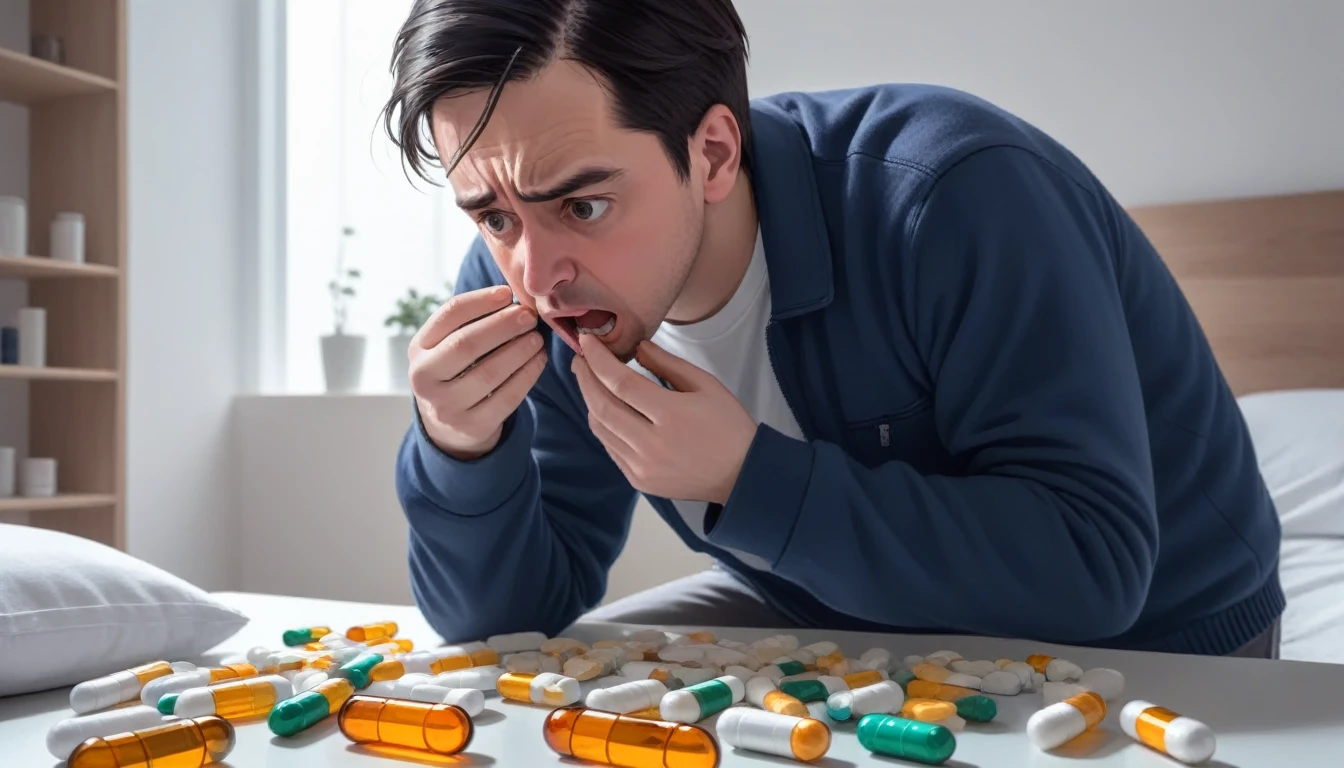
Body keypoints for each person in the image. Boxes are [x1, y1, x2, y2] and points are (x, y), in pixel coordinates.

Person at [384, 0, 1284, 658]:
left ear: (713, 153)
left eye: (584, 203)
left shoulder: (955, 197)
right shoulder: (533, 274)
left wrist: (749, 479)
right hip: (825, 612)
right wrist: (459, 448)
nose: (536, 275)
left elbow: (1094, 568)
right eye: (492, 217)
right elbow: (501, 622)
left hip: (1165, 640)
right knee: (537, 689)